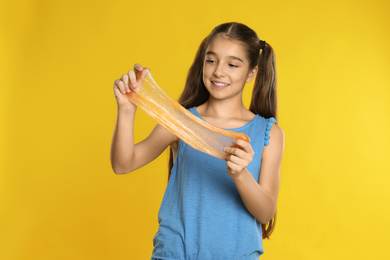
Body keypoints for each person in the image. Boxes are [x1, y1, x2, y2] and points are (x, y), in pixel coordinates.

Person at [111, 22, 285, 259]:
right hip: (175, 253)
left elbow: (265, 213)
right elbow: (123, 163)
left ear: (251, 73)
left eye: (232, 64)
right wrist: (126, 110)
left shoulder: (269, 134)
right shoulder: (180, 121)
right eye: (211, 60)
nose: (218, 72)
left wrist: (240, 174)